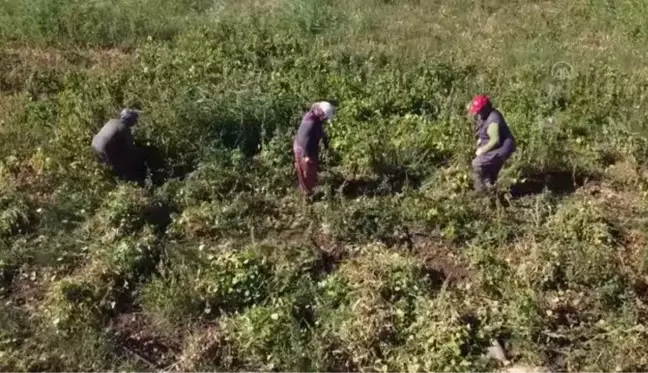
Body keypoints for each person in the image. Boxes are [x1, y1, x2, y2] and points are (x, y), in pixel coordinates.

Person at [470, 95, 516, 192]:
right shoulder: (484, 115)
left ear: (486, 107)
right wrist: (480, 140)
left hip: (502, 147)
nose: (478, 112)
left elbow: (495, 140)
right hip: (496, 145)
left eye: (480, 110)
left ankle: (480, 192)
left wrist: (482, 150)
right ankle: (490, 188)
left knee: (477, 163)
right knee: (489, 170)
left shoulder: (493, 119)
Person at [293, 101, 335, 198]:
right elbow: (305, 140)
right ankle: (308, 195)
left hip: (299, 145)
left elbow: (319, 133)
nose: (325, 120)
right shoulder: (312, 123)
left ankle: (306, 190)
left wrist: (325, 141)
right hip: (303, 149)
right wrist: (307, 155)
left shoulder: (311, 115)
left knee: (306, 171)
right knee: (308, 172)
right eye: (325, 118)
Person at [92, 108, 144, 181]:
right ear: (129, 119)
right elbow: (130, 148)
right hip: (105, 149)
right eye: (134, 120)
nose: (135, 122)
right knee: (134, 156)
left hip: (95, 145)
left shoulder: (112, 121)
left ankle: (107, 173)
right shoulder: (124, 127)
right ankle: (128, 177)